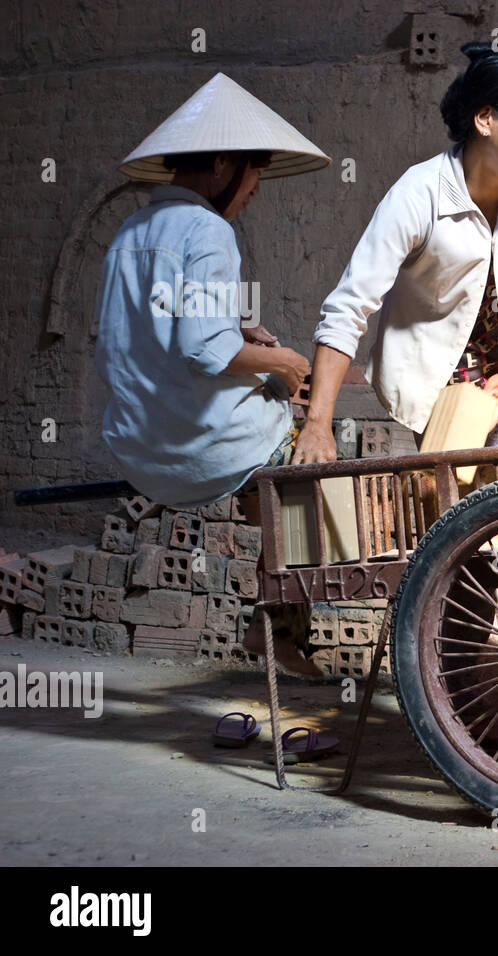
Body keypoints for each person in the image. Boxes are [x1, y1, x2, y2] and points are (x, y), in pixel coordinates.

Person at [97, 72, 330, 675]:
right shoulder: (209, 230)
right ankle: (279, 628)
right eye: (253, 174)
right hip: (195, 445)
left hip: (136, 442)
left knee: (273, 441)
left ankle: (269, 621)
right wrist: (285, 361)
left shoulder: (129, 235)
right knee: (308, 463)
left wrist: (238, 329)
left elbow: (156, 331)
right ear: (225, 163)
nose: (254, 190)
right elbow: (204, 350)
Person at [292, 43, 498, 466]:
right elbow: (349, 308)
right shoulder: (418, 195)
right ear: (485, 119)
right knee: (456, 504)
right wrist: (318, 424)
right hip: (439, 379)